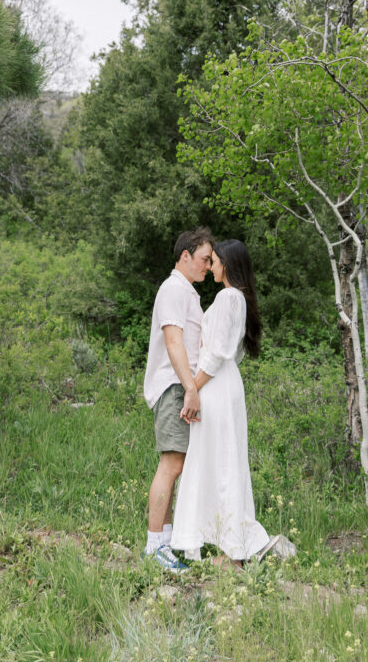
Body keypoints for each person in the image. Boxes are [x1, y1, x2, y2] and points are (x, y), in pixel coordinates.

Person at [170, 239, 271, 566]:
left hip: (213, 385)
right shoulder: (237, 299)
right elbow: (230, 353)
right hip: (224, 384)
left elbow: (215, 355)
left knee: (217, 461)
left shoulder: (229, 297)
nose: (210, 266)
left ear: (227, 263)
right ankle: (218, 544)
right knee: (222, 460)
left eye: (213, 261)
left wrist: (192, 390)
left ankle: (231, 551)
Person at [143, 227, 214, 571]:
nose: (207, 266)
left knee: (179, 465)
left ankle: (167, 541)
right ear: (185, 256)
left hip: (180, 385)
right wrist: (190, 388)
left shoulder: (186, 291)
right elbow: (173, 342)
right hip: (174, 386)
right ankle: (155, 545)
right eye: (203, 259)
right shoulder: (174, 289)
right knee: (170, 465)